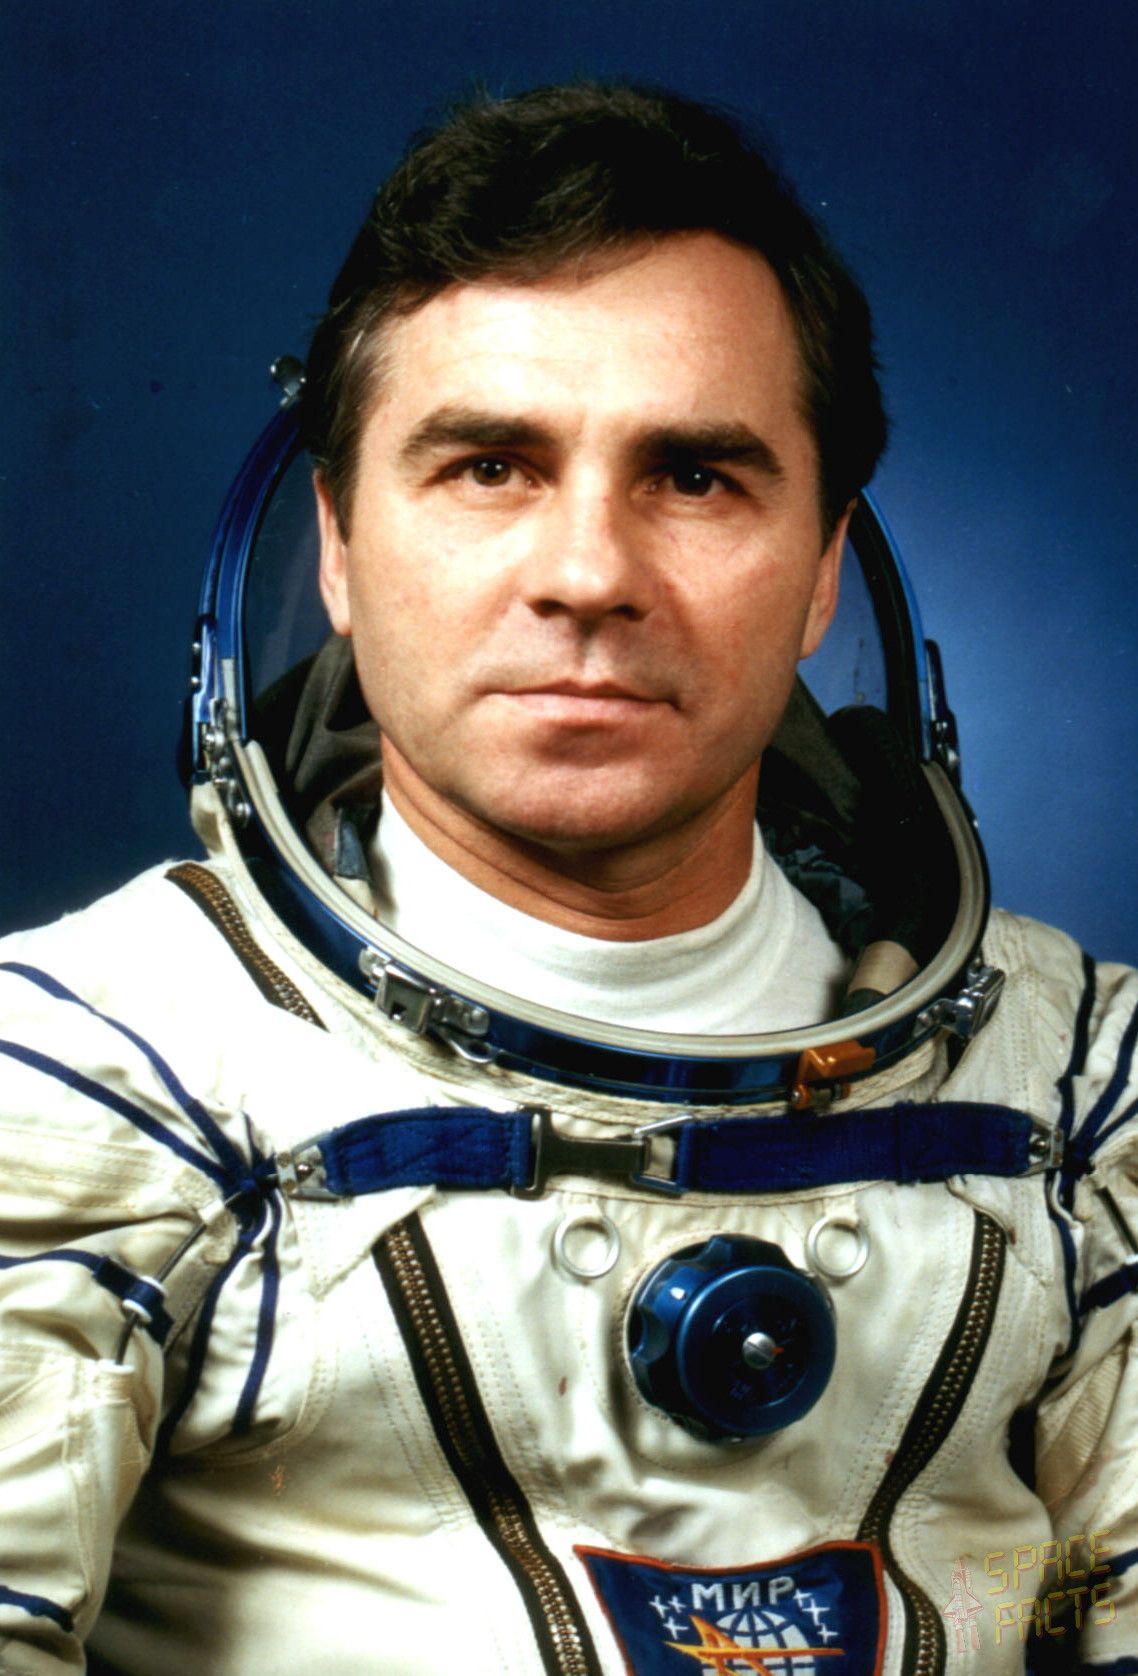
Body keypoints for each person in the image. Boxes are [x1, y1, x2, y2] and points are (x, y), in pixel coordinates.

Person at [1, 81, 1134, 1676]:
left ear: (822, 570)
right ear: (338, 546)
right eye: (488, 467)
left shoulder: (1076, 1095)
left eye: (695, 477)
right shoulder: (98, 1078)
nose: (590, 575)